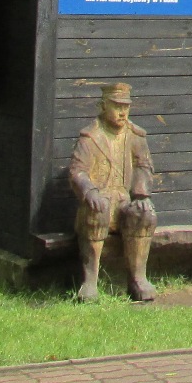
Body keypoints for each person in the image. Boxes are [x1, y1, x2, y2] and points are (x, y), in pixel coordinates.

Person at [68, 82, 157, 302]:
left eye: (126, 107)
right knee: (98, 210)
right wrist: (90, 192)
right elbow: (77, 171)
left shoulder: (135, 136)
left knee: (144, 214)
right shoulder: (90, 137)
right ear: (103, 106)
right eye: (117, 106)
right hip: (99, 203)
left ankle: (138, 278)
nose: (122, 112)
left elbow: (144, 166)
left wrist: (141, 194)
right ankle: (90, 281)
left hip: (123, 203)